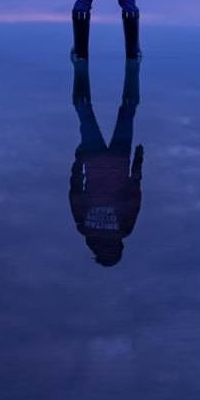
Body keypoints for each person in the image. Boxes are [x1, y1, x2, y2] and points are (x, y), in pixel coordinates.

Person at [69, 58, 144, 267]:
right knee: (83, 108)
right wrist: (78, 161)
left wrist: (138, 162)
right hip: (93, 159)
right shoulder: (84, 226)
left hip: (118, 160)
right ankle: (79, 64)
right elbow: (75, 191)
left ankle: (133, 63)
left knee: (128, 110)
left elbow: (134, 192)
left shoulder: (124, 228)